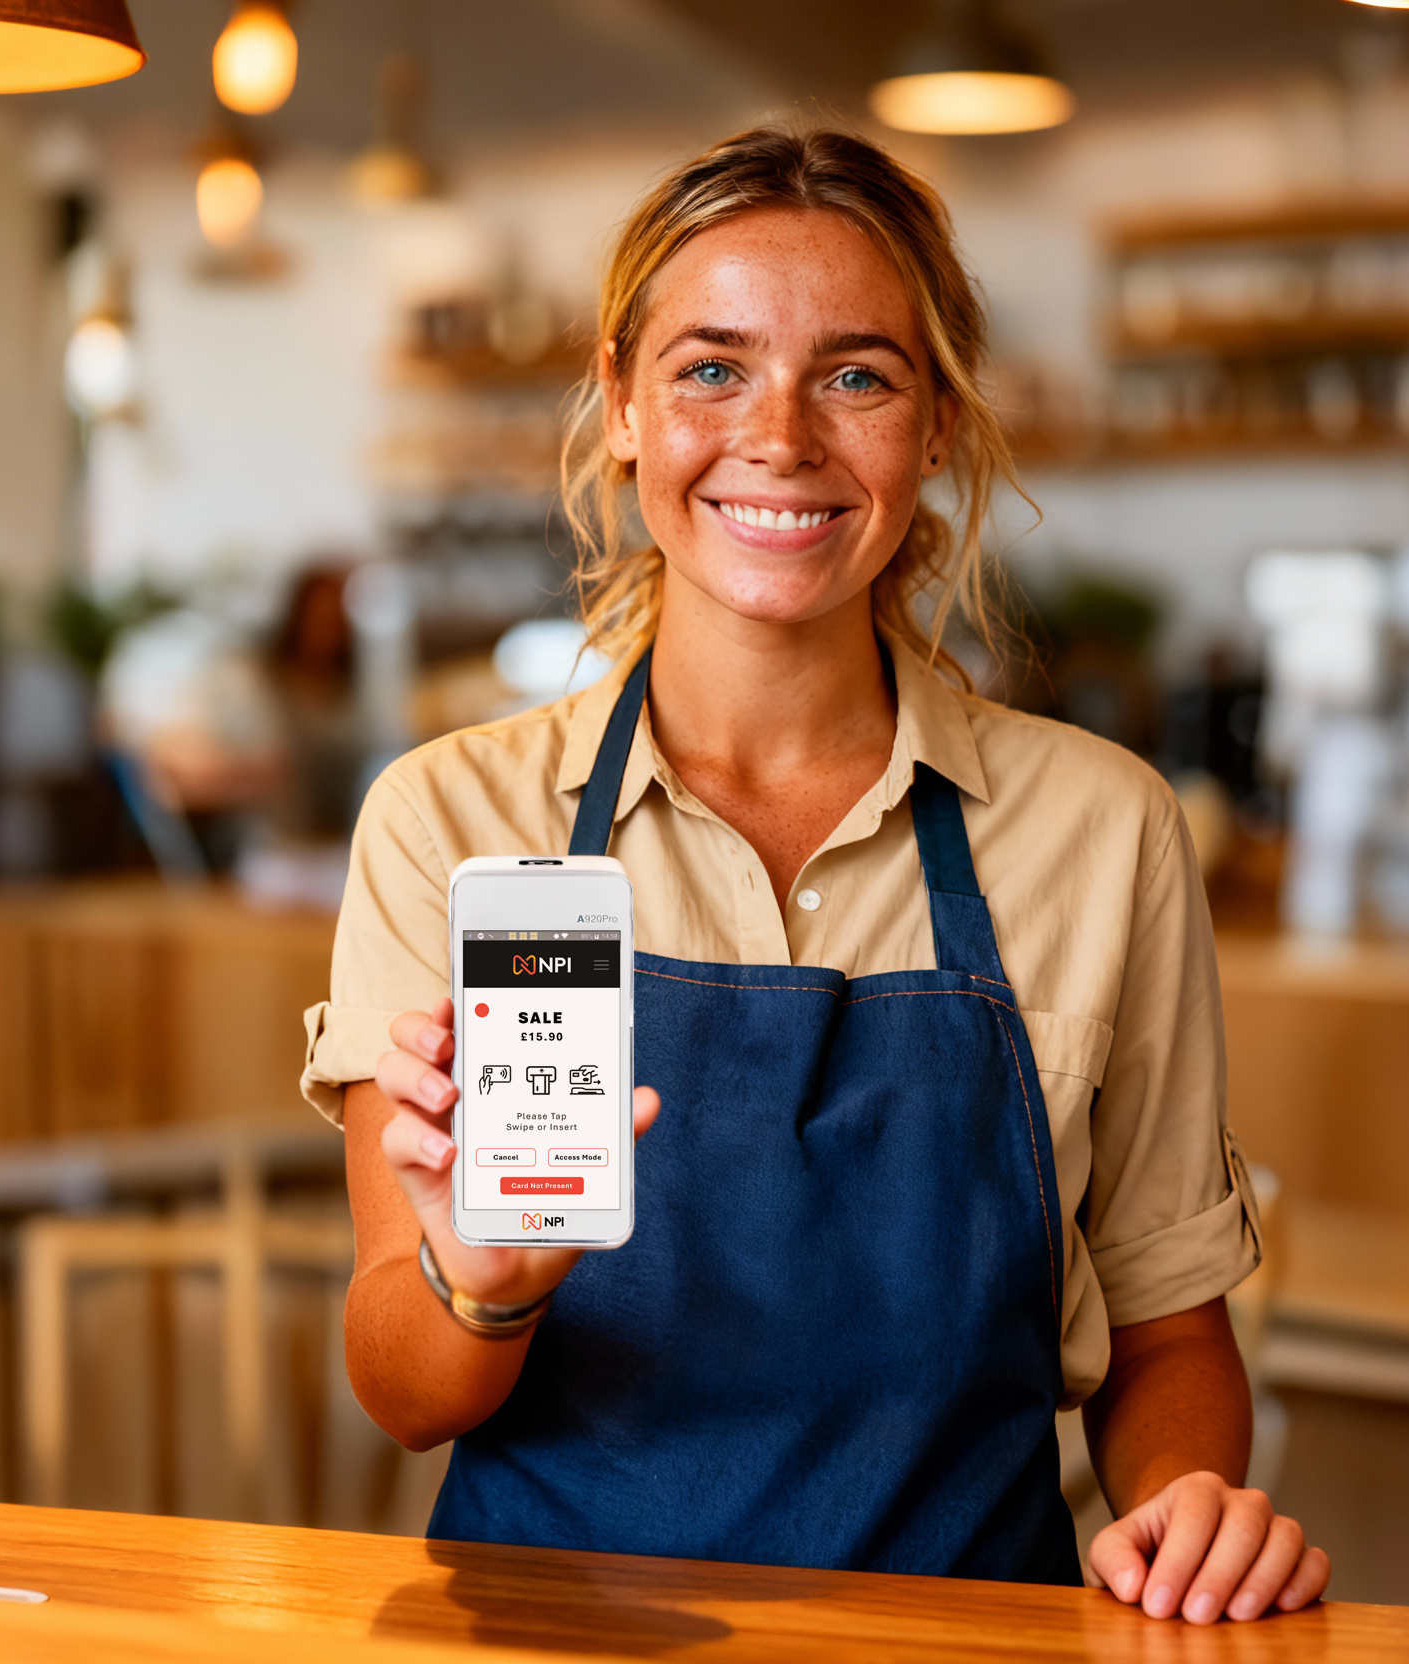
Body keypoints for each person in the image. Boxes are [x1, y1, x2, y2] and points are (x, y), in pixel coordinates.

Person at [300, 125, 1328, 1622]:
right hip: (554, 1648)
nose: (779, 437)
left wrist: (1186, 1519)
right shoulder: (451, 818)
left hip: (970, 1653)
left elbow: (1170, 1337)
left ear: (938, 425)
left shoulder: (1107, 832)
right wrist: (486, 1284)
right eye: (712, 368)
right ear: (623, 404)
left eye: (857, 376)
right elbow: (404, 1393)